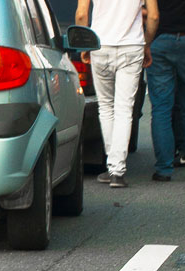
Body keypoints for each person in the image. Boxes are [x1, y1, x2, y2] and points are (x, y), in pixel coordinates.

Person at [77, 0, 159, 188]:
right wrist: (146, 44)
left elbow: (81, 14)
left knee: (105, 107)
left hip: (101, 45)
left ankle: (112, 166)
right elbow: (154, 16)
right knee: (124, 109)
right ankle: (117, 171)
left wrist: (85, 45)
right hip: (131, 46)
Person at [146, 0, 185, 181]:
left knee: (161, 108)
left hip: (160, 39)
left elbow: (152, 13)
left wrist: (146, 43)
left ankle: (164, 169)